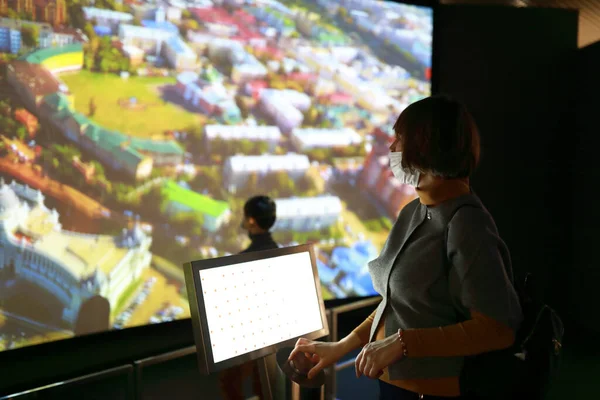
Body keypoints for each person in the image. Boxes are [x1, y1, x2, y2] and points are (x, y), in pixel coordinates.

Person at [289, 95, 523, 399]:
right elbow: (398, 305)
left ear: (427, 145)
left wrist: (403, 343)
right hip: (392, 388)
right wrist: (341, 346)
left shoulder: (466, 223)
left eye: (400, 139)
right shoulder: (415, 211)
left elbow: (497, 328)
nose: (391, 148)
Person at [218, 195, 279, 400]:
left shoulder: (244, 258)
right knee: (263, 384)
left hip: (248, 336)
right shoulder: (278, 251)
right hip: (274, 334)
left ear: (251, 221)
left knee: (231, 383)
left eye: (246, 216)